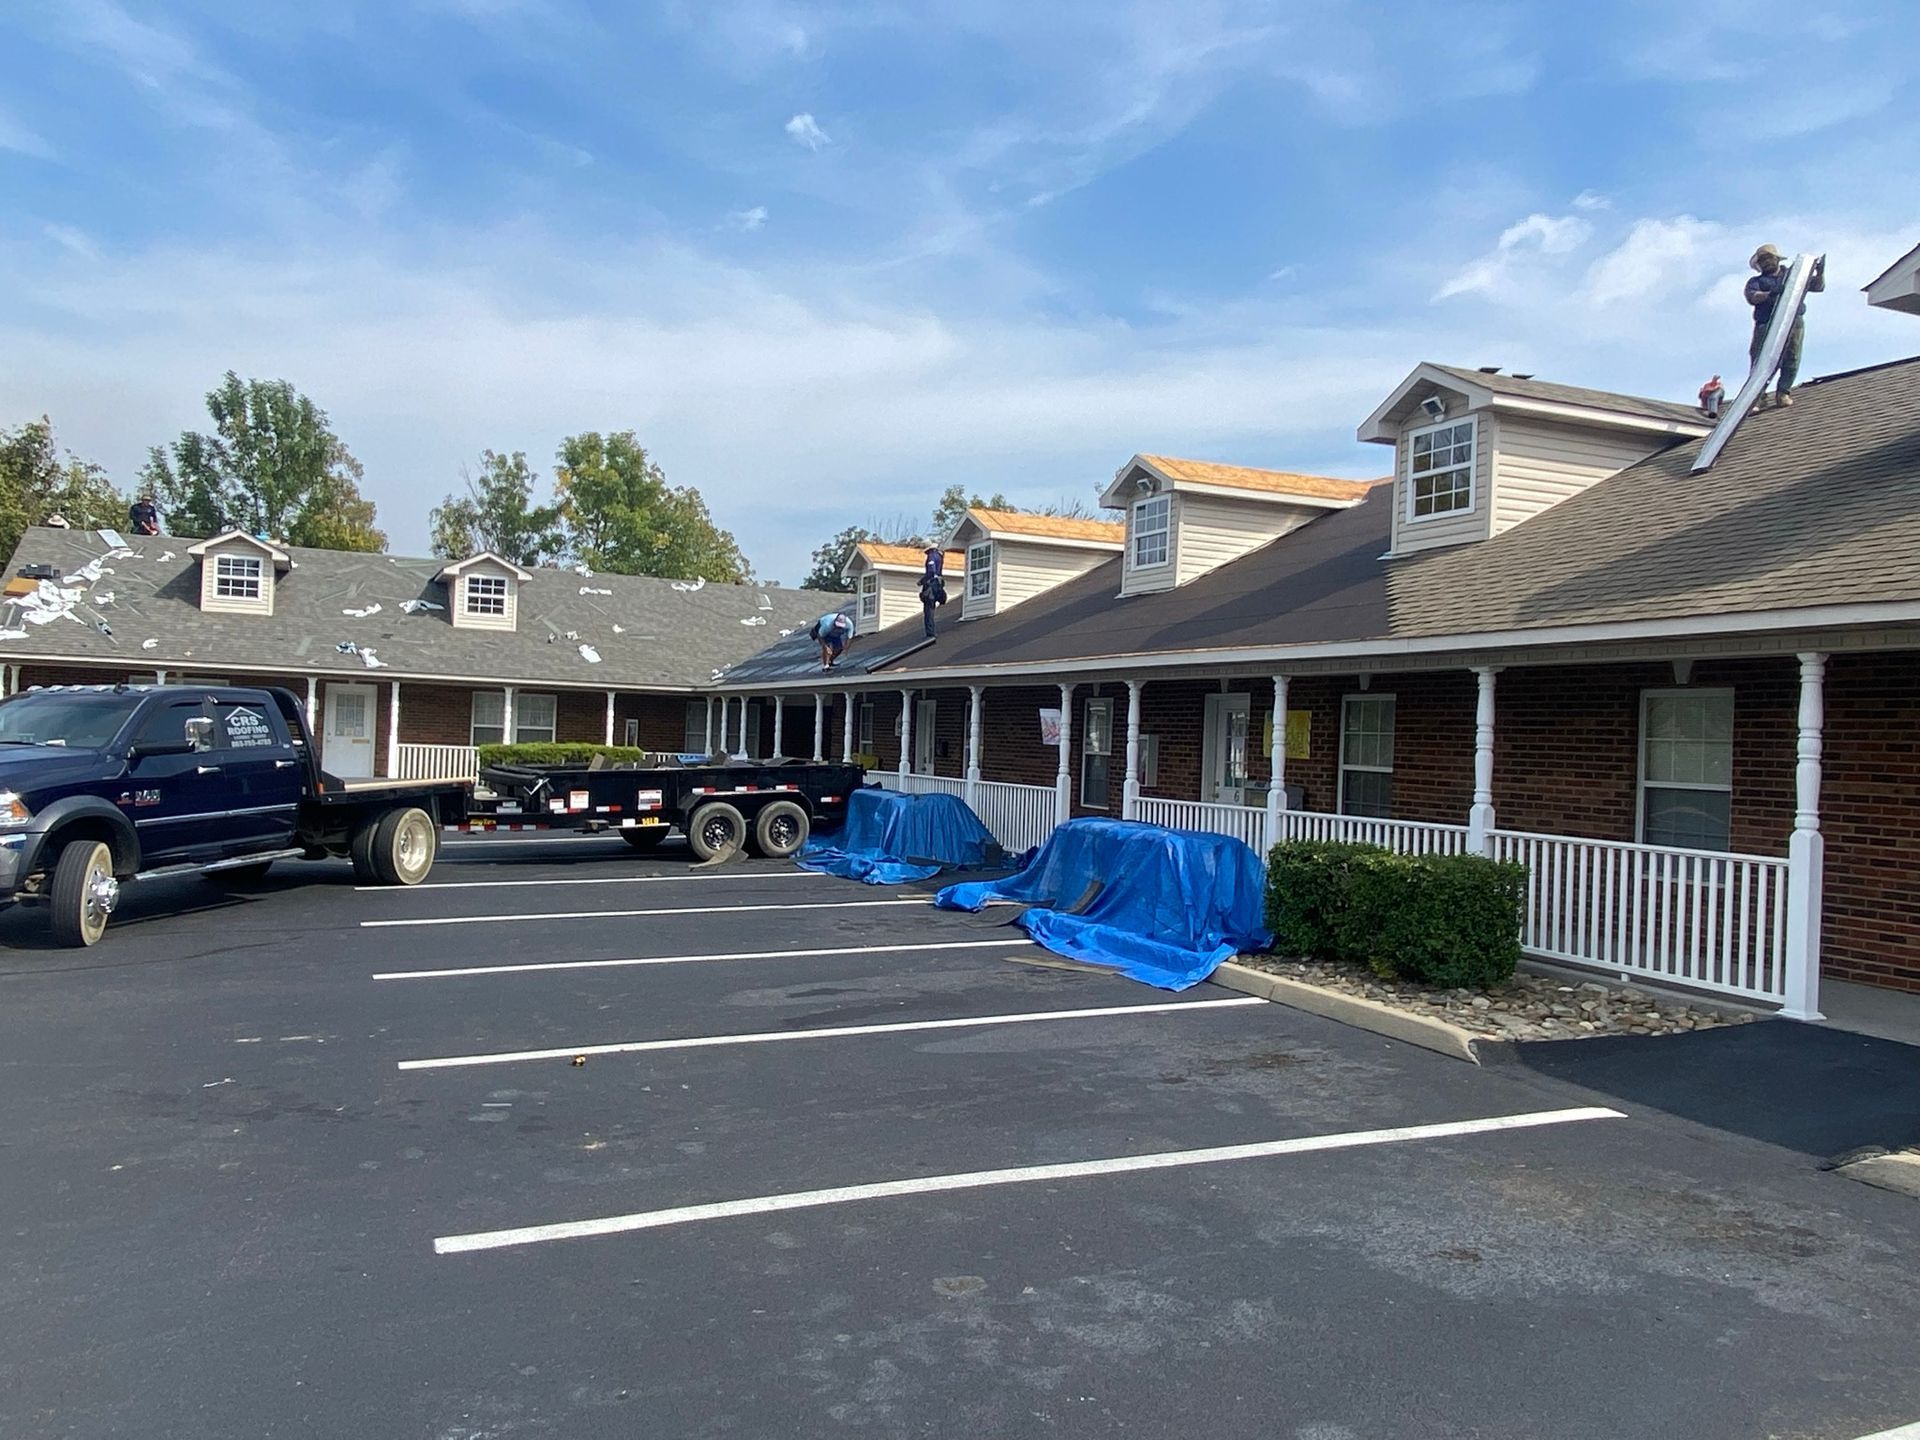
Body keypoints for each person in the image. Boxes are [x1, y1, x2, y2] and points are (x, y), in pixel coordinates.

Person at [1744, 244, 1825, 408]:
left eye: (1769, 258)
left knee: (1792, 356)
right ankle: (1758, 396)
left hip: (1793, 321)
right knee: (1761, 358)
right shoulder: (1756, 282)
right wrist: (1771, 293)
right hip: (1766, 322)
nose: (1766, 262)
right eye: (1762, 260)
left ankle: (1783, 392)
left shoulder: (1794, 276)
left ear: (1776, 259)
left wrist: (1820, 272)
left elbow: (1817, 286)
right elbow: (1753, 296)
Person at [917, 548, 947, 638]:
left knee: (928, 609)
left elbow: (931, 571)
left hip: (931, 585)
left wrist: (922, 581)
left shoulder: (932, 555)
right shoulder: (939, 555)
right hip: (938, 584)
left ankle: (930, 633)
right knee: (931, 606)